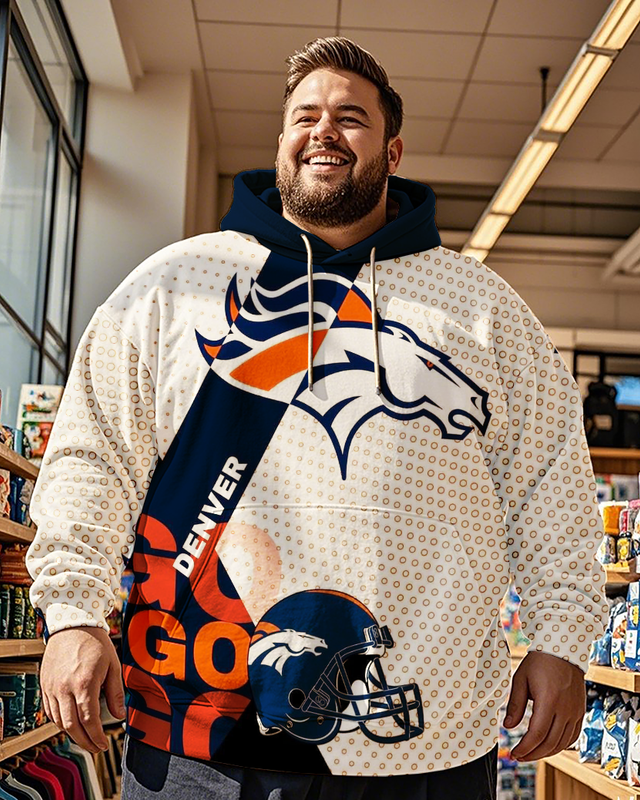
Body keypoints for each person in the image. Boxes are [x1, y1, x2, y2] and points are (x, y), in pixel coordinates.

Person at [25, 36, 607, 800]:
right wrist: (72, 612)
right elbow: (92, 458)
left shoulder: (482, 310)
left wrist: (563, 639)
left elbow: (551, 483)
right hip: (198, 736)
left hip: (427, 744)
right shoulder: (176, 285)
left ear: (392, 151)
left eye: (351, 117)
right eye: (306, 115)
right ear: (281, 143)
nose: (324, 130)